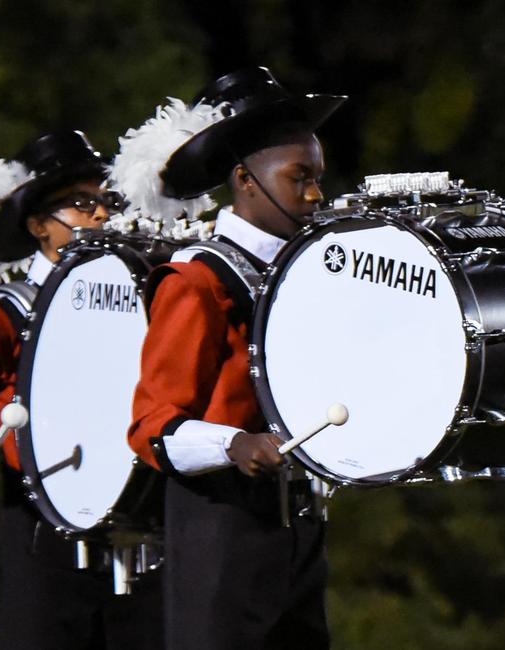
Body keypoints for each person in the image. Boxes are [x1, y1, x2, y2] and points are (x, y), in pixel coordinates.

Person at [0, 130, 164, 649]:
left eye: (106, 201)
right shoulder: (3, 313)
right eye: (82, 204)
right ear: (38, 224)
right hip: (44, 538)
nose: (101, 215)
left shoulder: (141, 299)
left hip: (143, 533)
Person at [116, 66, 344, 650]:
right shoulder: (196, 281)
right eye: (301, 178)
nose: (317, 194)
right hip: (222, 527)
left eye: (318, 178)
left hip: (299, 521)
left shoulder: (307, 276)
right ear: (245, 179)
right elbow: (151, 426)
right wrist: (234, 443)